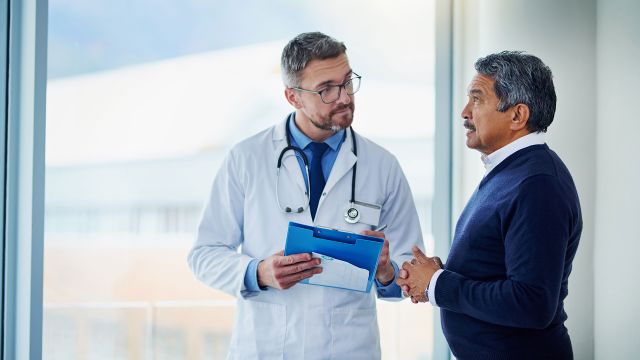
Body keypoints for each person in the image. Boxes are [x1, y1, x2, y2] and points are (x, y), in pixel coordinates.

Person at [188, 32, 423, 359]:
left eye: (347, 82)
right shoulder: (246, 159)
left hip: (348, 347)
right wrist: (258, 272)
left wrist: (385, 271)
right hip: (266, 346)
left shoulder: (382, 165)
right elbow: (204, 254)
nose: (344, 97)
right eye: (326, 89)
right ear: (292, 97)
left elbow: (412, 270)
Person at [397, 51, 582, 359]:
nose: (465, 112)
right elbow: (497, 268)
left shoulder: (537, 184)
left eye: (478, 99)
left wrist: (439, 283)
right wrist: (431, 278)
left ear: (517, 116)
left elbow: (532, 302)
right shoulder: (511, 171)